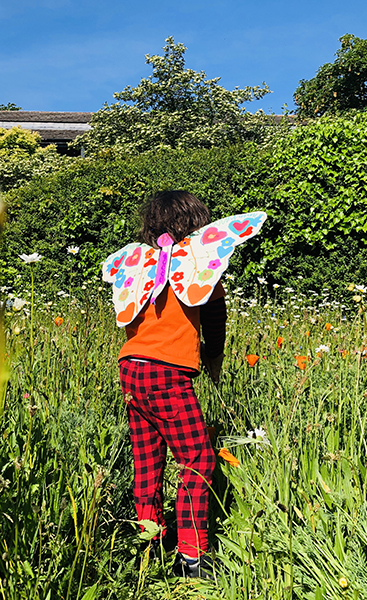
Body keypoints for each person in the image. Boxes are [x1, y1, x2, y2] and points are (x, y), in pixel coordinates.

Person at [116, 190, 226, 579]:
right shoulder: (200, 267)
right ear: (198, 227)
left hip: (131, 367)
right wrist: (214, 355)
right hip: (168, 374)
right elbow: (214, 316)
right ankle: (192, 556)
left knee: (147, 459)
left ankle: (147, 543)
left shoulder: (139, 264)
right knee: (198, 460)